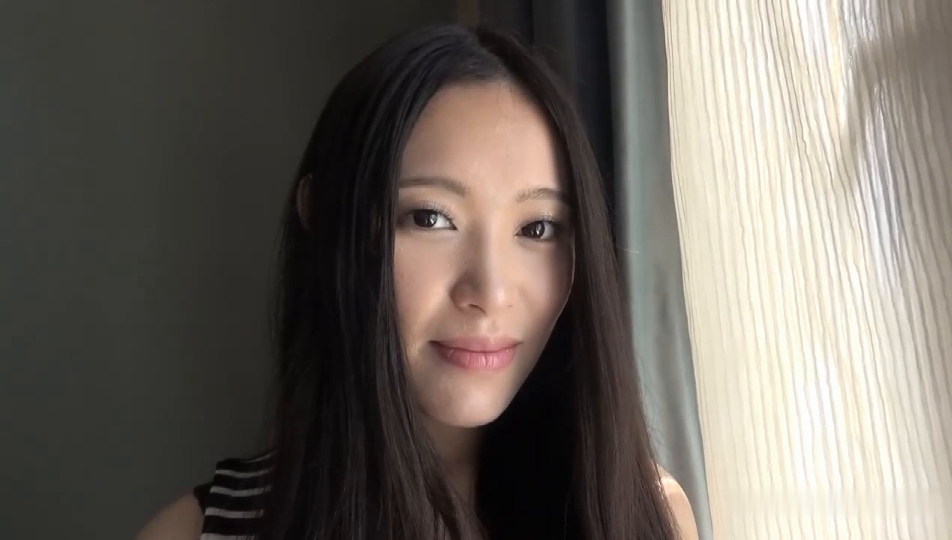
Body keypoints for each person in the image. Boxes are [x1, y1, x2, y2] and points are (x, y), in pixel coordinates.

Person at [137, 24, 697, 540]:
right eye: (430, 218)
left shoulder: (642, 514)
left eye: (538, 228)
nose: (491, 292)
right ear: (326, 217)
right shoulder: (192, 534)